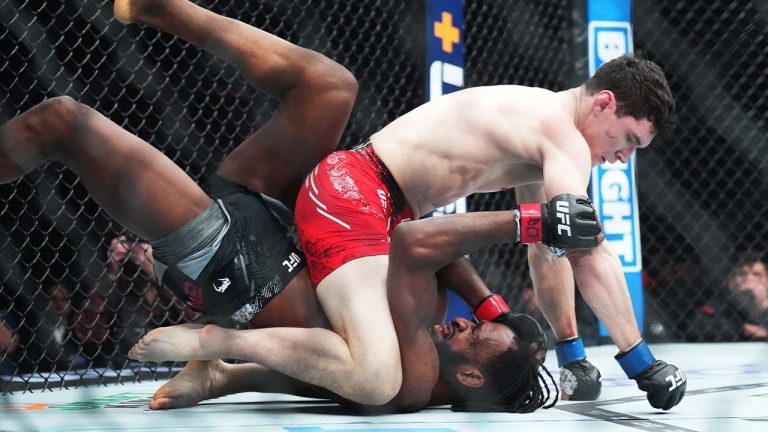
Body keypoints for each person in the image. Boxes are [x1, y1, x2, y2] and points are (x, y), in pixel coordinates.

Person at [1, 0, 541, 411]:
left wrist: (526, 222)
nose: (463, 324)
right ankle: (162, 7)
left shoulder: (415, 377)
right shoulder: (405, 364)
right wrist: (494, 308)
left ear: (470, 378)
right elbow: (305, 365)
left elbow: (419, 243)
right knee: (331, 87)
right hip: (285, 225)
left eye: (476, 335)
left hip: (230, 261)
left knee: (63, 122)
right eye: (475, 321)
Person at [133, 52, 686, 409]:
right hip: (359, 191)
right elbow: (585, 246)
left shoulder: (544, 135)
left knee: (394, 379)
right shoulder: (562, 136)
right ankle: (214, 342)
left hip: (381, 205)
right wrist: (642, 362)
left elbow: (552, 254)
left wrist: (569, 352)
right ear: (606, 103)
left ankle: (225, 374)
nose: (621, 157)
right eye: (628, 141)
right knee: (381, 376)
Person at [687, 252, 768, 341]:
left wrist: (762, 304)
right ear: (731, 281)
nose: (749, 279)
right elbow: (696, 327)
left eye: (756, 274)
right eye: (742, 274)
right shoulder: (718, 305)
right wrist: (742, 329)